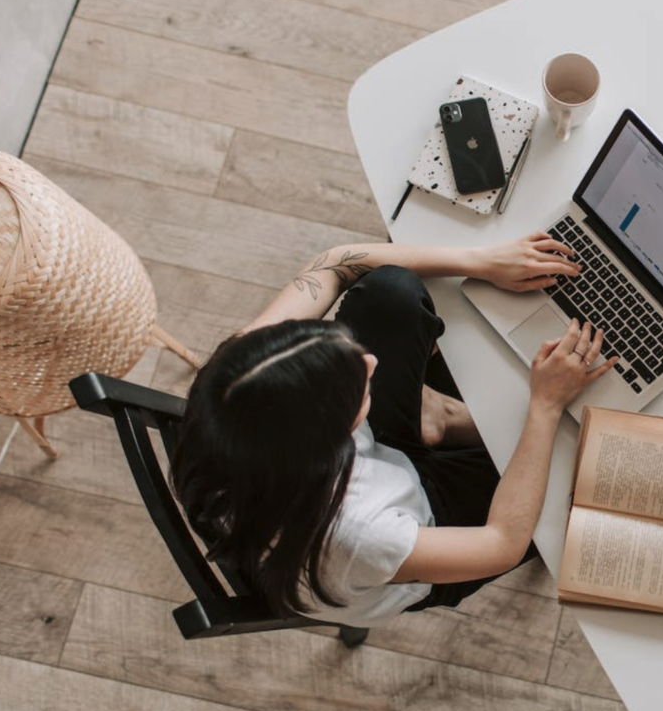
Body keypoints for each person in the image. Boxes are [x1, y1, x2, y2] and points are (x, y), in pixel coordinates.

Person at [171, 233, 618, 628]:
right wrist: (544, 406)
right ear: (330, 440)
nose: (370, 362)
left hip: (350, 478)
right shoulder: (361, 534)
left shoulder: (239, 378)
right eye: (356, 387)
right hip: (422, 534)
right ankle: (441, 421)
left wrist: (479, 260)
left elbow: (333, 264)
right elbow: (501, 543)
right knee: (580, 475)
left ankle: (434, 420)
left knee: (389, 291)